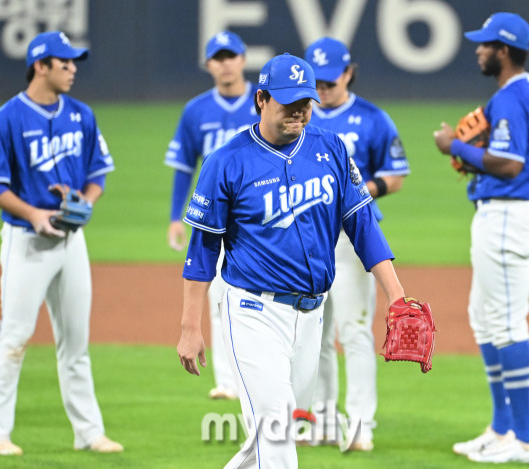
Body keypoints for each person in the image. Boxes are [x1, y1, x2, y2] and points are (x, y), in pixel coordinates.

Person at [176, 52, 414, 469]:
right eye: (289, 103)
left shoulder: (330, 149)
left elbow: (363, 226)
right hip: (253, 312)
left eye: (306, 103)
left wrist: (397, 295)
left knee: (271, 435)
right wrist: (190, 327)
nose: (300, 112)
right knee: (278, 429)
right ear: (262, 100)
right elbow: (202, 253)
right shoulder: (226, 163)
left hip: (311, 317)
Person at [0, 31, 123, 456]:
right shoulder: (8, 118)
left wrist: (85, 201)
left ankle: (89, 432)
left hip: (72, 243)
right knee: (15, 337)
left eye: (75, 62)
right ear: (41, 66)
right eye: (65, 62)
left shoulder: (81, 114)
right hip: (27, 242)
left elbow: (98, 173)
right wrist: (33, 213)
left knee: (76, 342)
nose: (74, 68)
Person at [433, 12, 529, 464]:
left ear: (503, 51)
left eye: (485, 44)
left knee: (506, 324)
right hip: (520, 211)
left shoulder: (509, 99)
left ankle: (525, 441)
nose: (478, 50)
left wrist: (458, 148)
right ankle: (502, 427)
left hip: (507, 217)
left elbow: (509, 165)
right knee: (484, 318)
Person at [304, 37, 410, 451]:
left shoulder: (372, 118)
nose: (324, 89)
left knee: (353, 333)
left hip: (351, 239)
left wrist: (352, 190)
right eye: (318, 82)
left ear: (349, 73)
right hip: (310, 239)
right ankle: (324, 420)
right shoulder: (300, 118)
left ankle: (360, 425)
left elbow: (396, 175)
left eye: (331, 81)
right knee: (315, 334)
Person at [164, 31, 257, 400]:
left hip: (258, 215)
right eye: (217, 58)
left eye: (230, 56)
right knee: (218, 298)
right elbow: (184, 167)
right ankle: (228, 382)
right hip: (216, 217)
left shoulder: (264, 102)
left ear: (243, 59)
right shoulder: (196, 110)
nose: (225, 64)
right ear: (208, 65)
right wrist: (175, 216)